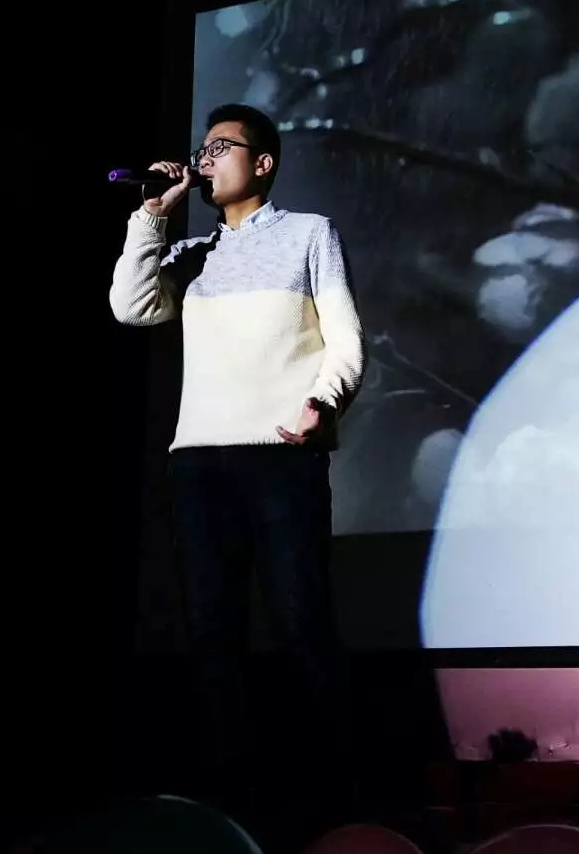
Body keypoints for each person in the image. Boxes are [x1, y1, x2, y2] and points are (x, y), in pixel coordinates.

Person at [109, 103, 367, 823]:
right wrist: (152, 216)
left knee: (300, 620)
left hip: (280, 453)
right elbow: (131, 307)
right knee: (212, 631)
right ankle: (231, 798)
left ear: (263, 162)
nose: (206, 157)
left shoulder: (309, 233)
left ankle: (333, 795)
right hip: (199, 463)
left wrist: (324, 401)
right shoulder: (191, 255)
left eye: (222, 146)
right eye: (203, 147)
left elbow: (347, 337)